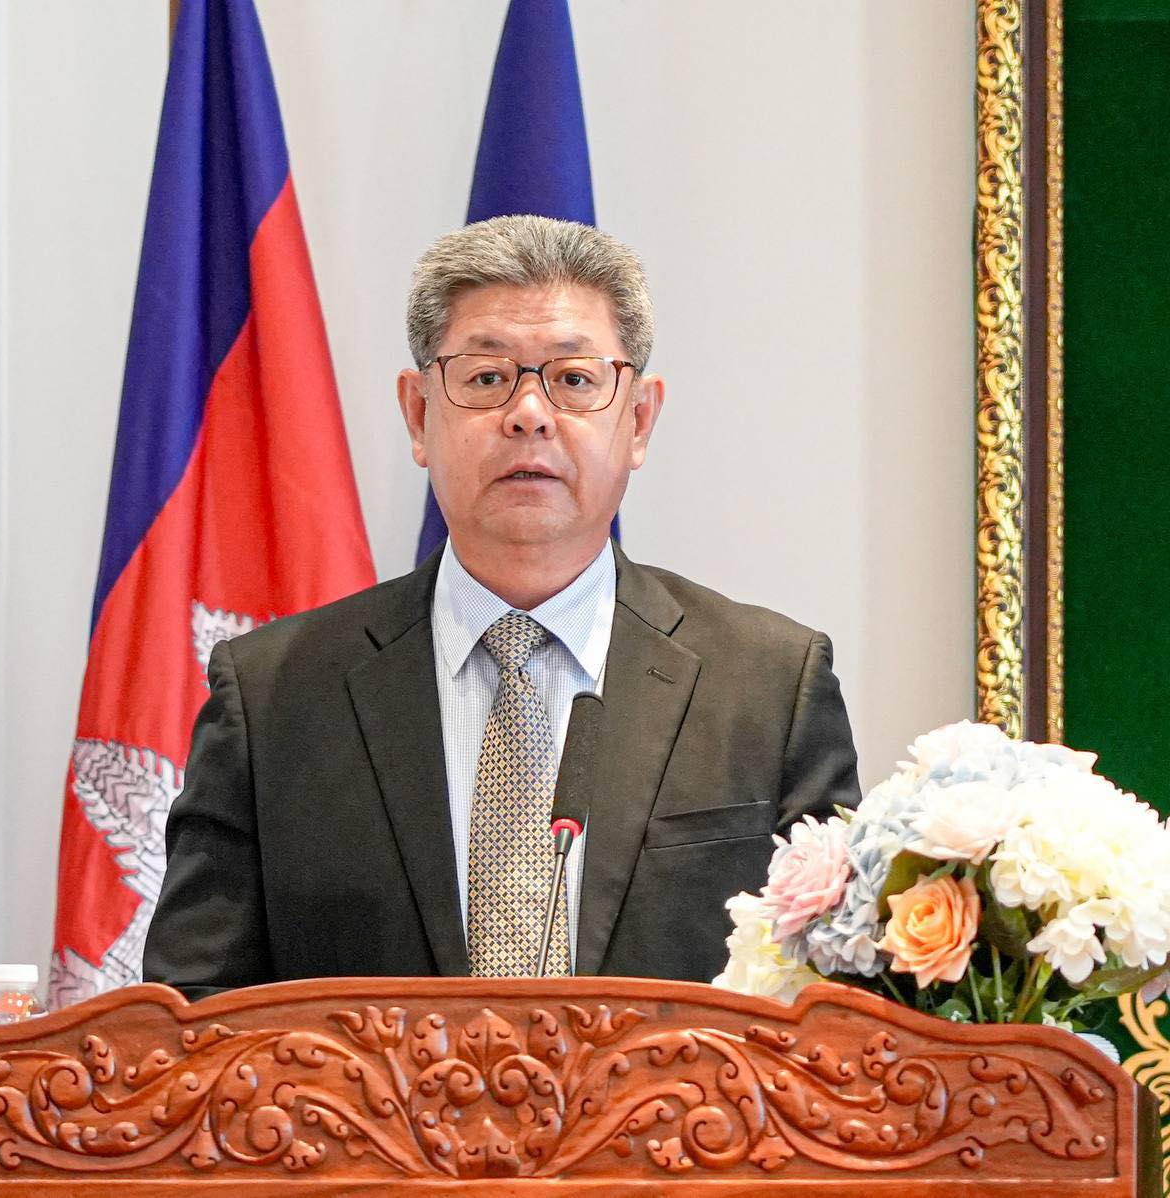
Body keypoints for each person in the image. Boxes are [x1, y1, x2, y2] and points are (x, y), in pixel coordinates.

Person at [143, 215, 859, 999]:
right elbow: (194, 1017)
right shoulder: (273, 697)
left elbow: (842, 1008)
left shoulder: (767, 687)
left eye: (574, 380)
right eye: (486, 378)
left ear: (639, 420)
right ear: (418, 414)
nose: (529, 413)